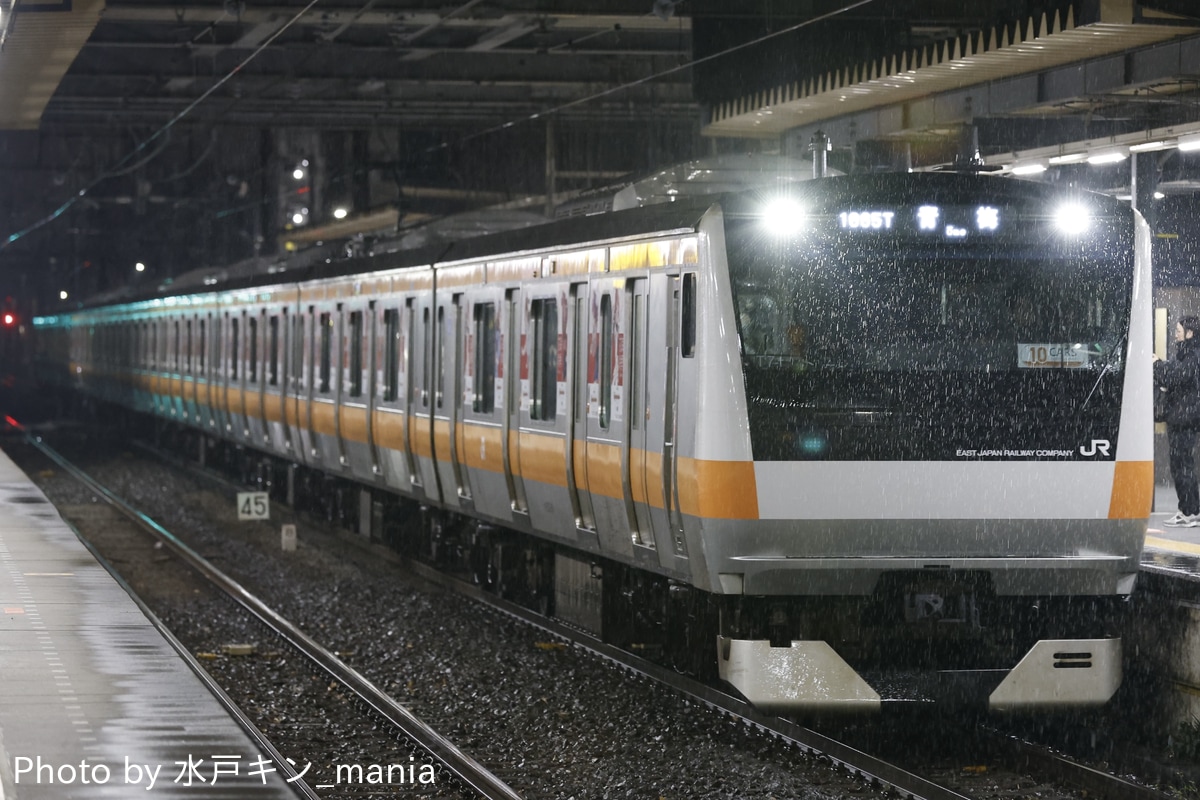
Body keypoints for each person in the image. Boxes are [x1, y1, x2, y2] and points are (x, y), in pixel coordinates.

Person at [1154, 315, 1200, 527]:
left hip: (1185, 419)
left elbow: (1175, 376)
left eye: (1178, 331)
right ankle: (1187, 509)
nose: (1175, 334)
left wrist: (1157, 364)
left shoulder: (1193, 355)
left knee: (1183, 466)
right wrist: (1161, 366)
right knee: (1179, 465)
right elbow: (1171, 373)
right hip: (1180, 418)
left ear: (1189, 333)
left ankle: (1191, 511)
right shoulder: (1185, 354)